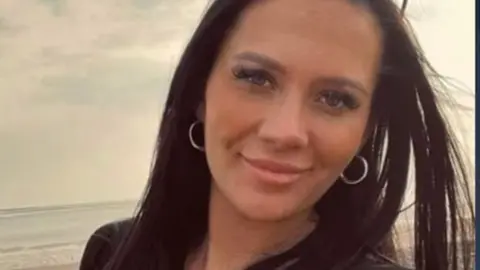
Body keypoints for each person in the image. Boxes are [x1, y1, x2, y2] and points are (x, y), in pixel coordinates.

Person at [79, 0, 475, 269]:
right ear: (200, 90)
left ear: (365, 129)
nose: (285, 132)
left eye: (335, 99)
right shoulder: (115, 253)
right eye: (255, 78)